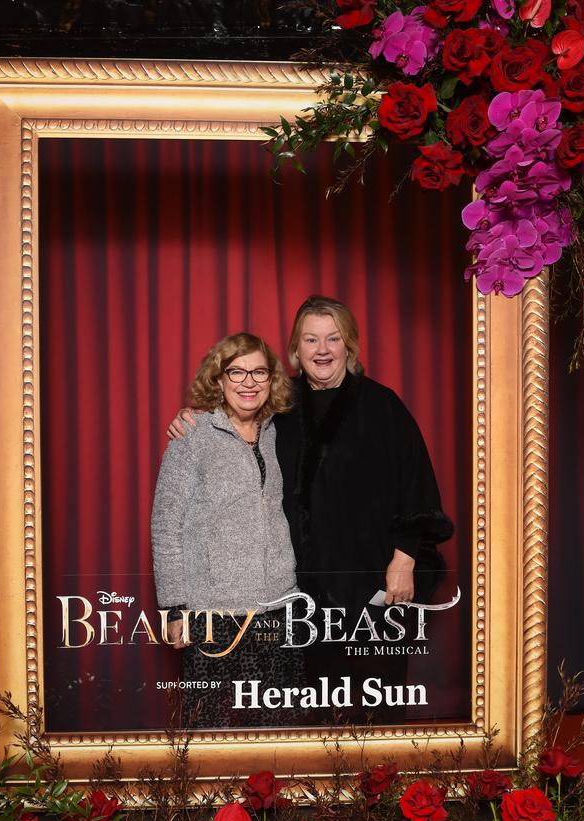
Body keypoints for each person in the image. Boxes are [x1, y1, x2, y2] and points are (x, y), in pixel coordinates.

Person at [168, 296, 453, 724]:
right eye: (311, 339)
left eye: (333, 338)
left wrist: (405, 557)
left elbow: (418, 487)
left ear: (349, 346)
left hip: (372, 586)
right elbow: (232, 417)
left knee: (375, 709)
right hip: (298, 599)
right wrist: (191, 419)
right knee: (306, 716)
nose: (322, 349)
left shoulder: (382, 406)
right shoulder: (280, 409)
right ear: (295, 351)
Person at [151, 333, 302, 728]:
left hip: (279, 607)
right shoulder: (193, 435)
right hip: (214, 612)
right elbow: (166, 524)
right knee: (210, 730)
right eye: (237, 371)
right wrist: (173, 608)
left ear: (271, 380)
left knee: (281, 728)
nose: (248, 381)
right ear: (218, 379)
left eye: (259, 372)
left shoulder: (276, 431)